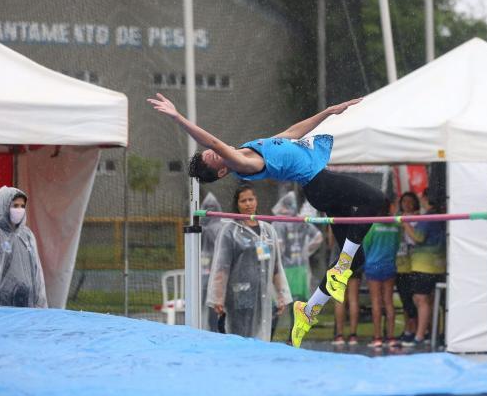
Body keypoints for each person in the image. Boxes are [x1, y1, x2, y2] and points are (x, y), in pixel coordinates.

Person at [148, 93, 385, 348]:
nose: (216, 150)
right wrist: (178, 117)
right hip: (320, 184)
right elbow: (214, 142)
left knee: (356, 260)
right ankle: (340, 268)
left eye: (211, 152)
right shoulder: (243, 163)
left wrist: (328, 111)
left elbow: (292, 132)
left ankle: (309, 310)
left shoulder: (252, 146)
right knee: (378, 201)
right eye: (215, 156)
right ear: (222, 169)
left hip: (321, 187)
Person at [205, 183, 292, 341]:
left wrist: (281, 295)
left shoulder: (268, 230)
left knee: (262, 339)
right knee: (240, 338)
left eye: (250, 199)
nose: (248, 204)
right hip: (239, 295)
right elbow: (221, 266)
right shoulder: (230, 231)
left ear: (256, 201)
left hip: (264, 296)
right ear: (236, 204)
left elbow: (276, 267)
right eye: (243, 201)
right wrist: (218, 297)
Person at [270, 191, 323, 341]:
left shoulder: (278, 222)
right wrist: (306, 252)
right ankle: (293, 337)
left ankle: (269, 337)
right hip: (300, 269)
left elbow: (278, 247)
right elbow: (318, 237)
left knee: (277, 304)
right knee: (296, 305)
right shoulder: (300, 221)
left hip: (283, 269)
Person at [401, 188, 446, 348]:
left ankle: (420, 336)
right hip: (438, 265)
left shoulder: (427, 217)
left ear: (427, 198)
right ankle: (433, 334)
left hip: (424, 265)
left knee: (421, 300)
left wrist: (405, 223)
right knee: (432, 302)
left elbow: (418, 237)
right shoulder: (441, 215)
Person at [0, 186, 47, 308]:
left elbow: (37, 274)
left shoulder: (27, 236)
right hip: (4, 306)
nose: (19, 209)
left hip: (27, 303)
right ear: (4, 206)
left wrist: (41, 304)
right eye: (15, 206)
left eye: (22, 206)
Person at [362, 199, 401, 349]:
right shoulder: (396, 226)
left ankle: (377, 337)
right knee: (388, 302)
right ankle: (391, 337)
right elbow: (396, 245)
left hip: (373, 265)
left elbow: (366, 245)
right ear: (390, 207)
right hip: (389, 265)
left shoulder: (373, 225)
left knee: (376, 302)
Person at [394, 191, 420, 345]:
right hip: (400, 266)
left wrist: (405, 223)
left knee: (413, 302)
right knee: (405, 301)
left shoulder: (418, 220)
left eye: (410, 201)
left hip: (413, 266)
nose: (407, 204)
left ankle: (415, 330)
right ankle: (407, 330)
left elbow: (416, 238)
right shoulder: (398, 218)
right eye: (404, 201)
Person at [199, 192, 224, 331]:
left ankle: (214, 332)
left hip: (215, 275)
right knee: (198, 305)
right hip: (202, 274)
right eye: (207, 207)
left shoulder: (220, 228)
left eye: (212, 207)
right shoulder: (198, 228)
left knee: (214, 310)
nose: (210, 210)